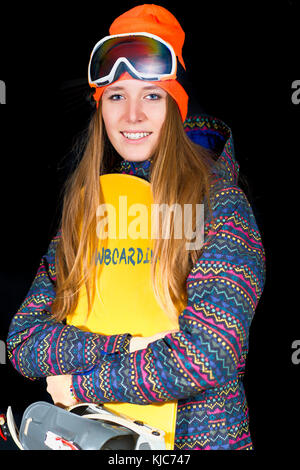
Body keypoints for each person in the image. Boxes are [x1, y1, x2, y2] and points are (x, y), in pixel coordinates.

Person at [6, 4, 266, 450]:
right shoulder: (88, 213)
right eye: (116, 96)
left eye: (151, 95)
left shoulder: (221, 208)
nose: (132, 116)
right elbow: (24, 342)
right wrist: (128, 346)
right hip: (93, 440)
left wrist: (80, 386)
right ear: (101, 108)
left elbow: (206, 355)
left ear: (176, 105)